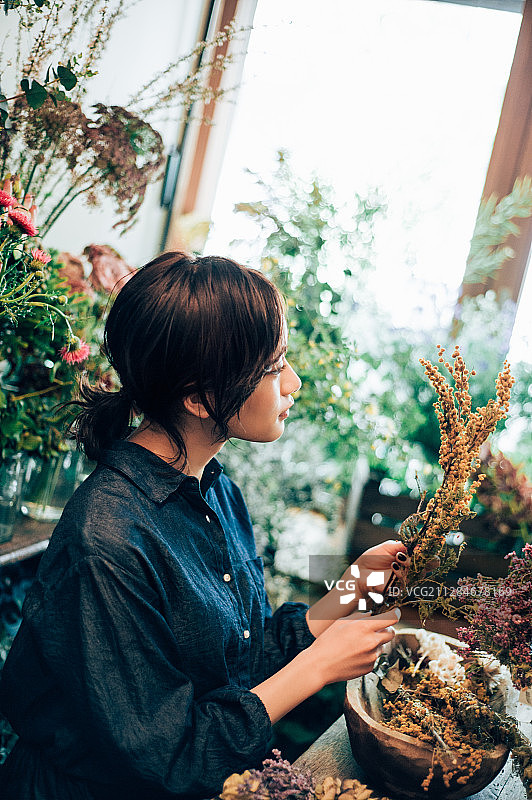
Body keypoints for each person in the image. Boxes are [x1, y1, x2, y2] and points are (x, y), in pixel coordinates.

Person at [0, 252, 406, 800]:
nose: (295, 382)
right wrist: (314, 668)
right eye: (273, 366)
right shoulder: (108, 540)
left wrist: (350, 592)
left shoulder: (215, 490)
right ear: (197, 396)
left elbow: (237, 660)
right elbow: (169, 754)